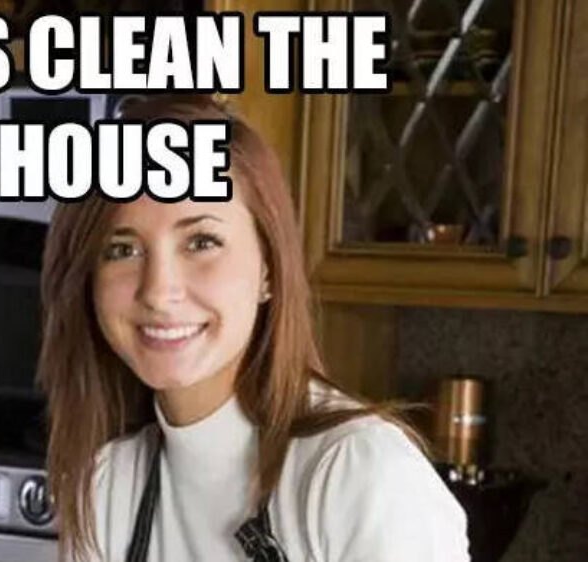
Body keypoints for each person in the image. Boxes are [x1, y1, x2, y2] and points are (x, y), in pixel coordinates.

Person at [36, 95, 470, 562]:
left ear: (268, 269)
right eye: (122, 249)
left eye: (201, 242)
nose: (159, 292)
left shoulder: (358, 475)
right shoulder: (110, 486)